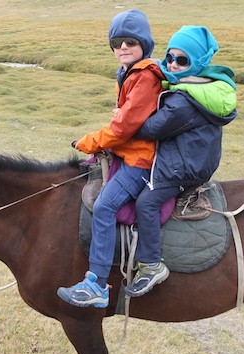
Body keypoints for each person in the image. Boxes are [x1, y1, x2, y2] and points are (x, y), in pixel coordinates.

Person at [57, 9, 165, 308]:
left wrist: (89, 142)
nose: (123, 48)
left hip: (140, 161)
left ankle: (97, 283)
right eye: (116, 43)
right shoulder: (130, 73)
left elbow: (122, 128)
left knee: (104, 206)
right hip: (127, 151)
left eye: (130, 41)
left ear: (144, 42)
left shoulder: (145, 76)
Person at [123, 25, 237, 297]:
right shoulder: (201, 88)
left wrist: (126, 121)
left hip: (180, 169)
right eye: (169, 57)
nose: (172, 65)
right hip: (194, 162)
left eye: (181, 60)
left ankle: (151, 265)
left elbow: (153, 129)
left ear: (197, 63)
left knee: (146, 203)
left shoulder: (186, 99)